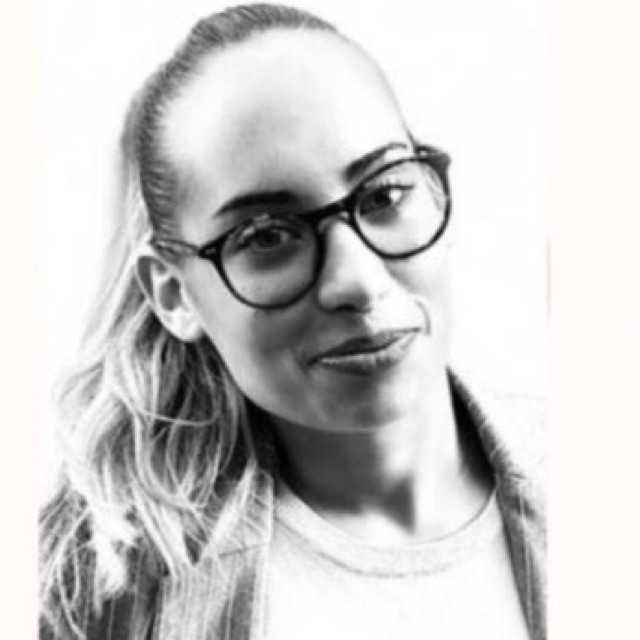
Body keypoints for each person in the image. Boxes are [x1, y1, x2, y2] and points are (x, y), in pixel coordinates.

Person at [39, 3, 546, 639]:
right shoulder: (92, 598)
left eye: (385, 195)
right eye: (267, 235)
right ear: (173, 294)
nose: (357, 281)